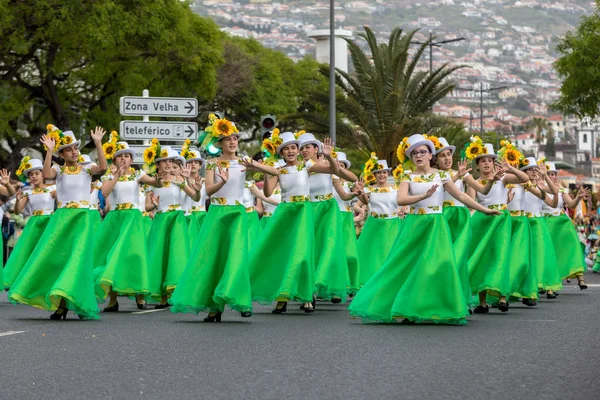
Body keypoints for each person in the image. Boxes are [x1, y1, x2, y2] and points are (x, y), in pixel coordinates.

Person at [349, 134, 501, 325]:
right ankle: (399, 307)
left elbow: (462, 197)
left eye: (422, 152)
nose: (418, 156)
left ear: (431, 155)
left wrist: (484, 209)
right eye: (414, 153)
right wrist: (422, 196)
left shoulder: (442, 175)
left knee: (443, 263)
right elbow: (401, 199)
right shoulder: (407, 176)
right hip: (414, 224)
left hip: (437, 225)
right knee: (404, 265)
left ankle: (439, 306)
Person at [9, 126, 107, 320]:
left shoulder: (87, 168)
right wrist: (49, 151)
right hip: (62, 219)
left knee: (78, 261)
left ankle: (79, 302)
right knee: (59, 260)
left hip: (82, 219)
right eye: (69, 149)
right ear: (62, 153)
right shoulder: (58, 169)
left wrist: (98, 142)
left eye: (76, 148)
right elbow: (46, 174)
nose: (74, 151)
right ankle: (61, 304)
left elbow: (103, 168)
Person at [244, 133, 339, 314]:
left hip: (304, 211)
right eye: (286, 149)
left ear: (298, 150)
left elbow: (333, 170)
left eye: (293, 148)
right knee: (284, 254)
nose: (290, 151)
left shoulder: (307, 165)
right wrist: (263, 170)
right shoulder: (279, 168)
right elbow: (268, 190)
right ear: (281, 153)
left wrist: (328, 156)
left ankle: (306, 296)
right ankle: (282, 297)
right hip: (286, 212)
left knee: (303, 254)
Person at [170, 116, 253, 321]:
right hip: (217, 213)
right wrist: (222, 181)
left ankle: (240, 299)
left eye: (235, 138)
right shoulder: (213, 164)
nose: (233, 142)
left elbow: (273, 172)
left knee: (237, 256)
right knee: (214, 258)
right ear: (219, 144)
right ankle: (215, 307)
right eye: (227, 139)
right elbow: (208, 191)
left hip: (237, 213)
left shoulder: (244, 162)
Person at [94, 140, 161, 311]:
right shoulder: (109, 176)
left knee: (135, 255)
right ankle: (112, 300)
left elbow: (155, 183)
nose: (123, 159)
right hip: (115, 219)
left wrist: (159, 176)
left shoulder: (137, 174)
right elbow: (105, 193)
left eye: (127, 156)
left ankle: (140, 298)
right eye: (120, 156)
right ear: (114, 160)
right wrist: (116, 175)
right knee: (113, 257)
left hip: (132, 219)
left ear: (131, 159)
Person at [466, 139, 529, 314]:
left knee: (500, 255)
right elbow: (471, 203)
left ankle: (502, 297)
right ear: (477, 165)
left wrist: (510, 169)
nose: (486, 163)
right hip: (482, 220)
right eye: (482, 160)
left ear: (494, 163)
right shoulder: (475, 182)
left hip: (501, 218)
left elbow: (525, 178)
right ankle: (483, 302)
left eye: (490, 160)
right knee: (483, 257)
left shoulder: (502, 178)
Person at [298, 132, 356, 303]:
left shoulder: (328, 164)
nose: (304, 151)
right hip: (310, 208)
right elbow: (332, 169)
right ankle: (311, 287)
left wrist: (354, 192)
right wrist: (331, 160)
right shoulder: (305, 165)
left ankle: (329, 285)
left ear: (317, 149)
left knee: (330, 246)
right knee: (311, 248)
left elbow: (351, 177)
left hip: (329, 209)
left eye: (307, 147)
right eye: (301, 148)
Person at [145, 145, 198, 309]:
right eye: (163, 161)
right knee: (161, 256)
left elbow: (195, 197)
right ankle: (163, 297)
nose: (167, 164)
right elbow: (146, 207)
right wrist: (153, 205)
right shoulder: (153, 182)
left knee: (176, 255)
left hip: (177, 220)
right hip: (161, 220)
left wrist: (187, 181)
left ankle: (178, 293)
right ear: (158, 164)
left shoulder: (180, 180)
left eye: (170, 161)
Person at [3, 159, 55, 289]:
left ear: (43, 174)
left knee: (48, 253)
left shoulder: (53, 188)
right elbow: (18, 210)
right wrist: (17, 200)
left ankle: (47, 282)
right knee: (29, 253)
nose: (33, 176)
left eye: (36, 173)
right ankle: (29, 284)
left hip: (49, 223)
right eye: (31, 174)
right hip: (34, 224)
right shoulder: (28, 192)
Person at [355, 154, 401, 287]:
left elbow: (403, 202)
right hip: (375, 224)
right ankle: (374, 282)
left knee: (390, 252)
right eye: (378, 173)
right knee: (375, 254)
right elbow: (361, 202)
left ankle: (389, 281)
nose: (382, 175)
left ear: (388, 173)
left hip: (392, 223)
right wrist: (362, 195)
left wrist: (403, 209)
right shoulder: (370, 189)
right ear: (374, 175)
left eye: (384, 172)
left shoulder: (396, 188)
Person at [544, 162, 589, 288]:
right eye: (549, 174)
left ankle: (580, 278)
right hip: (546, 223)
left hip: (562, 222)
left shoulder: (561, 190)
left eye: (553, 174)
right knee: (549, 253)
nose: (551, 176)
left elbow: (571, 205)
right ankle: (549, 284)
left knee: (573, 246)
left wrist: (579, 197)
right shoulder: (538, 188)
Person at [332, 151, 361, 294]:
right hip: (332, 218)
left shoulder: (350, 184)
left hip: (346, 220)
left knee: (350, 255)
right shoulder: (329, 180)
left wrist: (358, 195)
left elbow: (351, 201)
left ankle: (350, 283)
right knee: (334, 253)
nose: (339, 167)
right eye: (337, 164)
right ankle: (336, 287)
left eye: (342, 165)